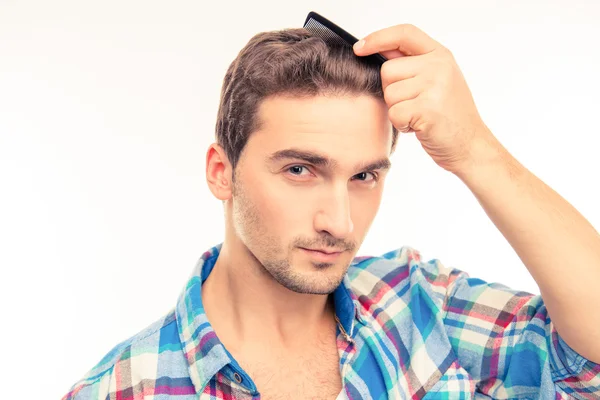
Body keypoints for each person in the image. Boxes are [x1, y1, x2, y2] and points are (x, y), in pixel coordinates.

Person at [62, 23, 600, 400]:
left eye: (364, 176)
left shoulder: (418, 303)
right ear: (221, 172)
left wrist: (474, 148)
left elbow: (588, 363)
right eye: (300, 170)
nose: (340, 223)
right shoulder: (123, 388)